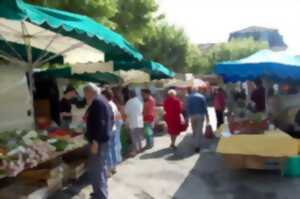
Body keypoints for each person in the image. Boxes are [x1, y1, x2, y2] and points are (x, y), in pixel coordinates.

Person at [84, 83, 113, 199]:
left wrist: (95, 141)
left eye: (85, 94)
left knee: (97, 170)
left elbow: (100, 124)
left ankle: (100, 195)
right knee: (101, 168)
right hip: (104, 140)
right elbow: (110, 120)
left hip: (99, 142)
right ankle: (99, 193)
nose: (85, 97)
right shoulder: (103, 100)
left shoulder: (97, 102)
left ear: (89, 92)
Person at [102, 88, 123, 175]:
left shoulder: (107, 105)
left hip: (109, 129)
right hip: (114, 129)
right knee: (113, 149)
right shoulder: (113, 104)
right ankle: (114, 167)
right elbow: (118, 117)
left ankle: (109, 169)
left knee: (108, 150)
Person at [186, 87, 209, 153]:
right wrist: (207, 117)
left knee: (194, 129)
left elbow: (187, 107)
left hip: (192, 116)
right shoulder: (202, 97)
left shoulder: (189, 97)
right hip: (200, 115)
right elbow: (205, 108)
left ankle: (195, 142)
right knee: (199, 130)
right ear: (197, 91)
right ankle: (197, 146)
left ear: (192, 91)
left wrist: (187, 117)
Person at [124, 90, 144, 156]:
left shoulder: (129, 102)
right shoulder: (139, 102)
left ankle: (136, 150)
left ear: (130, 95)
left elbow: (126, 112)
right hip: (139, 121)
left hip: (132, 122)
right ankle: (140, 148)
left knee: (134, 137)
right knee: (139, 136)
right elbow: (141, 111)